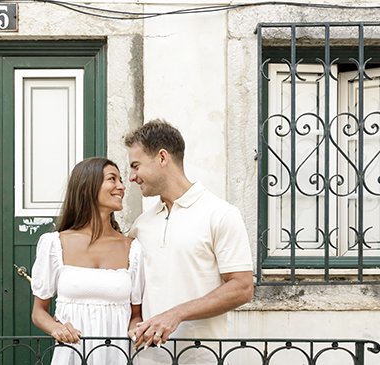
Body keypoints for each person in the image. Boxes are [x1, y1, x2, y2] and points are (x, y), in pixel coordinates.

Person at [124, 120, 254, 363]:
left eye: (135, 166)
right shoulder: (141, 225)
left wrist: (176, 314)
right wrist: (134, 320)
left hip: (200, 358)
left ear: (162, 157)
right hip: (146, 359)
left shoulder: (221, 214)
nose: (131, 177)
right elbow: (135, 291)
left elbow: (242, 287)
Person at [30, 157, 143, 365]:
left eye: (121, 180)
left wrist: (137, 330)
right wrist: (57, 329)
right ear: (87, 187)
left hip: (116, 357)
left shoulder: (133, 248)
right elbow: (38, 312)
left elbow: (136, 315)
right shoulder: (54, 243)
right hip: (71, 356)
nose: (121, 186)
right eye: (112, 179)